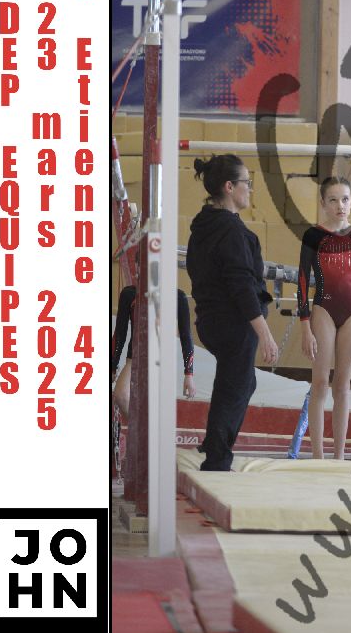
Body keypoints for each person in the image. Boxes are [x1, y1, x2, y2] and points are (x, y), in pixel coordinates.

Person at [186, 154, 279, 471]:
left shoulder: (204, 225)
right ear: (229, 187)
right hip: (233, 322)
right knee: (235, 387)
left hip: (210, 319)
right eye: (246, 183)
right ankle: (217, 459)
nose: (250, 189)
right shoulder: (231, 231)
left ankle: (214, 443)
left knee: (242, 383)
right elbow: (241, 286)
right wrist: (264, 333)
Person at [298, 177, 351, 460]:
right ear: (323, 203)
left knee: (343, 386)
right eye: (333, 200)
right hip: (323, 310)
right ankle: (318, 455)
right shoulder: (313, 236)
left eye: (344, 199)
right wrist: (305, 327)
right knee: (320, 382)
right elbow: (302, 280)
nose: (339, 205)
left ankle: (339, 456)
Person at [111, 284, 195, 417]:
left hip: (161, 357)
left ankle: (148, 426)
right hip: (135, 356)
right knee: (121, 396)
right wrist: (113, 366)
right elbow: (120, 334)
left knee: (152, 401)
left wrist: (189, 374)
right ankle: (143, 428)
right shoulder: (129, 294)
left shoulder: (178, 297)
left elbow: (186, 337)